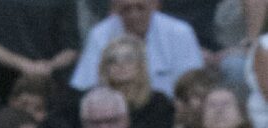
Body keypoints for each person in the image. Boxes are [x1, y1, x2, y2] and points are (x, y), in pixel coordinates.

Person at [70, 0, 202, 99]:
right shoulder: (99, 35)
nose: (134, 15)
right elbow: (84, 86)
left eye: (140, 7)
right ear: (115, 7)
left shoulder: (180, 33)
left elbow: (193, 84)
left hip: (168, 111)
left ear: (155, 5)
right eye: (126, 9)